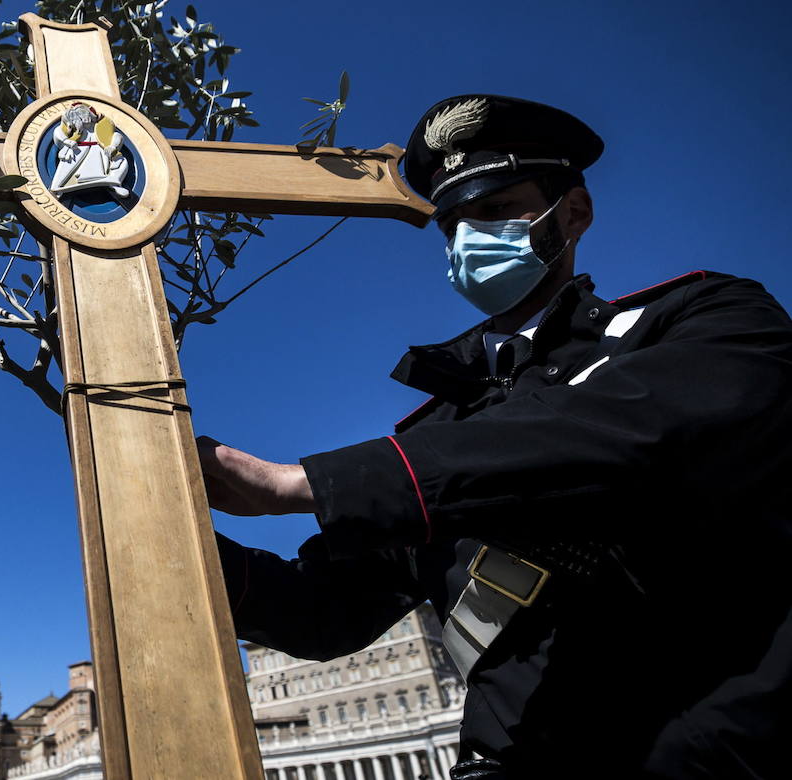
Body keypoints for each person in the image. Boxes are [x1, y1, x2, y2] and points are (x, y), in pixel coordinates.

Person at [199, 94, 792, 779]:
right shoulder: (439, 434)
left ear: (573, 214)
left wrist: (307, 484)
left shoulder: (710, 320)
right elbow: (322, 612)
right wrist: (169, 524)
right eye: (452, 223)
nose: (468, 239)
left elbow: (618, 434)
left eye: (494, 210)